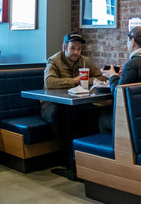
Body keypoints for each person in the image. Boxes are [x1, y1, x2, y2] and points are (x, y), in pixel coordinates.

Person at [41, 31, 106, 174]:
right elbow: (49, 82)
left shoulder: (84, 61)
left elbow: (100, 77)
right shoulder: (53, 61)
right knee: (63, 116)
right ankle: (70, 164)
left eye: (79, 49)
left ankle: (86, 162)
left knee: (91, 113)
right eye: (72, 48)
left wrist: (86, 80)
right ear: (64, 47)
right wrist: (75, 81)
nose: (76, 52)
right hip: (52, 105)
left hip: (76, 104)